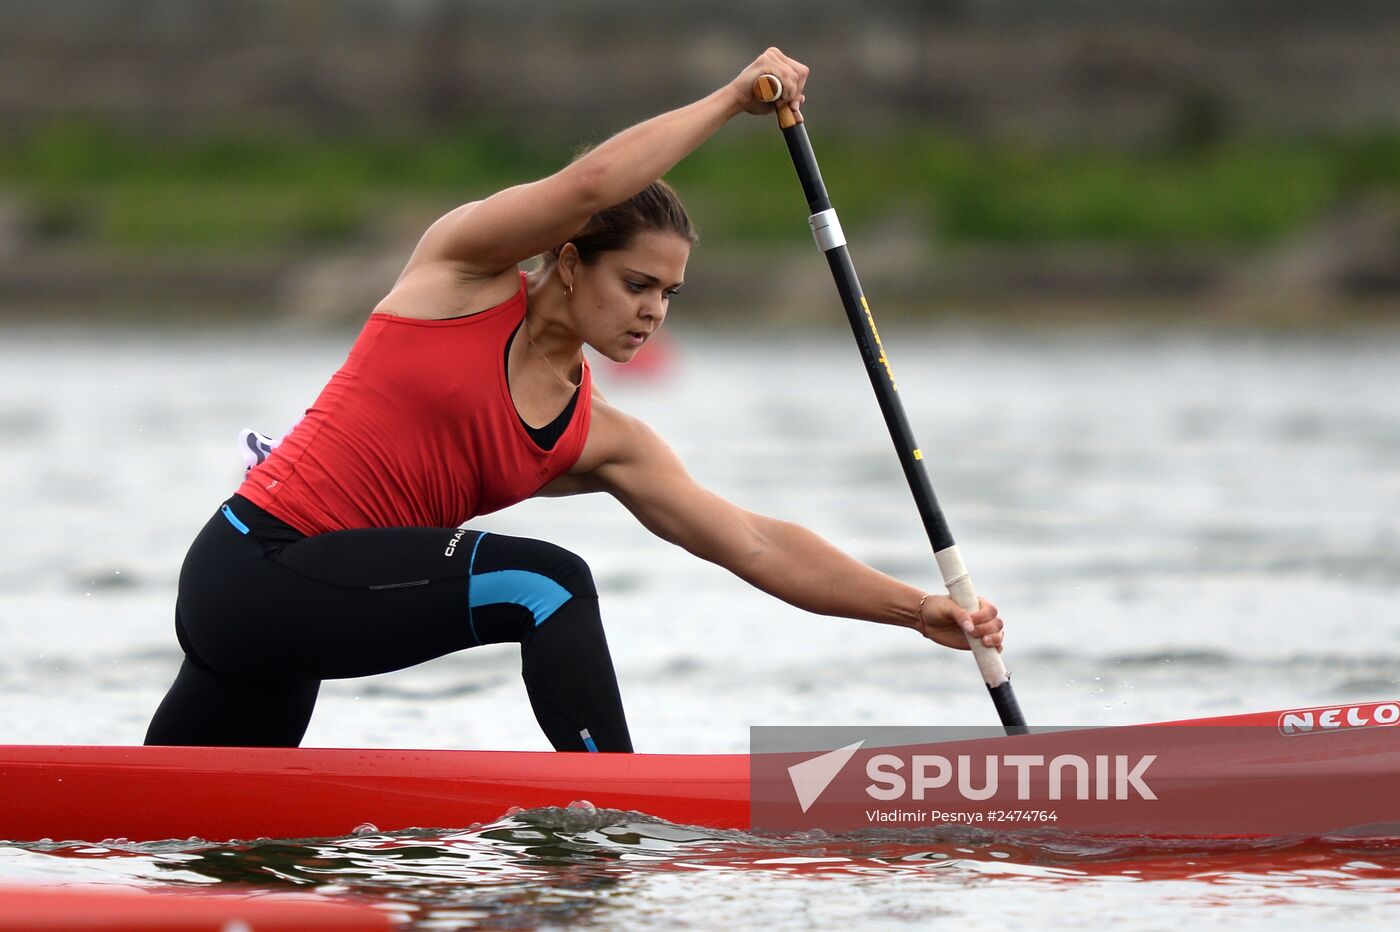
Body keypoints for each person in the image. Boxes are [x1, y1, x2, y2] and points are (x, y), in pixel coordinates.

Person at [144, 48, 1004, 753]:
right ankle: (611, 822)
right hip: (249, 571)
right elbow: (592, 186)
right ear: (567, 260)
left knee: (192, 846)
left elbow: (751, 541)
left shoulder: (597, 435)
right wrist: (731, 99)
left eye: (669, 294)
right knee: (548, 582)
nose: (652, 312)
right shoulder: (462, 275)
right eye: (636, 283)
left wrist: (916, 607)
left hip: (299, 623)